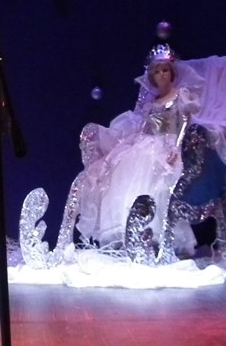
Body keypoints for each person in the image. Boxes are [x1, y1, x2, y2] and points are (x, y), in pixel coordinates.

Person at [75, 44, 206, 256]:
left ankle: (154, 231)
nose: (161, 75)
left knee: (152, 173)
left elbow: (183, 124)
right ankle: (127, 228)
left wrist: (175, 148)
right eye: (157, 71)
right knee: (122, 166)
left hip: (167, 146)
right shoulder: (152, 102)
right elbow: (145, 127)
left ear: (172, 72)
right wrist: (130, 142)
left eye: (165, 70)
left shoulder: (180, 95)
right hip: (148, 143)